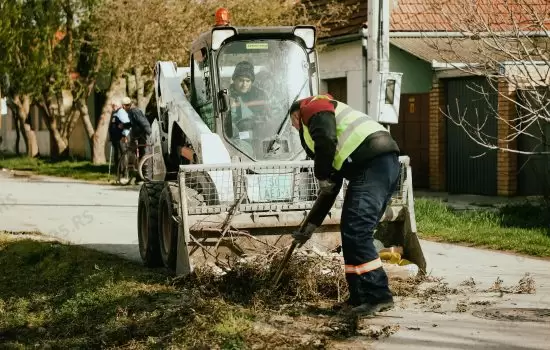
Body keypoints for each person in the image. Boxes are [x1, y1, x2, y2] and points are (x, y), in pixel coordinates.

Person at [289, 94, 401, 317]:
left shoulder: (312, 106)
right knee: (352, 232)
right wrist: (310, 226)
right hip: (377, 164)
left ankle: (379, 296)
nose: (295, 128)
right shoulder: (334, 141)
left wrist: (320, 173)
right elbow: (330, 188)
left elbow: (325, 138)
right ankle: (360, 298)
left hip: (372, 164)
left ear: (295, 114)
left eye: (293, 124)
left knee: (357, 231)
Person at [228, 61, 270, 133]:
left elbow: (270, 117)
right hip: (234, 138)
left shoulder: (260, 95)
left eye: (248, 81)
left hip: (259, 133)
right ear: (234, 80)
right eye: (241, 80)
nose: (244, 84)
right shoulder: (226, 96)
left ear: (252, 82)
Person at [121, 96, 152, 182]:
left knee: (145, 155)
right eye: (124, 105)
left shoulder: (135, 111)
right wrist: (124, 125)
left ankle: (147, 177)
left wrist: (150, 134)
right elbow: (132, 124)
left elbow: (144, 123)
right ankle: (138, 176)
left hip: (143, 136)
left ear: (128, 105)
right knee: (137, 155)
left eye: (125, 105)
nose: (124, 107)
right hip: (137, 136)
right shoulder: (130, 112)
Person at [108, 102, 131, 168]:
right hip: (115, 138)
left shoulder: (121, 112)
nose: (113, 106)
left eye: (114, 105)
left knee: (122, 154)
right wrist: (110, 136)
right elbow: (112, 126)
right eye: (112, 105)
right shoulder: (114, 113)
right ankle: (117, 170)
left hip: (121, 137)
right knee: (117, 153)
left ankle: (122, 171)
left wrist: (125, 135)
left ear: (119, 105)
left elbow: (127, 124)